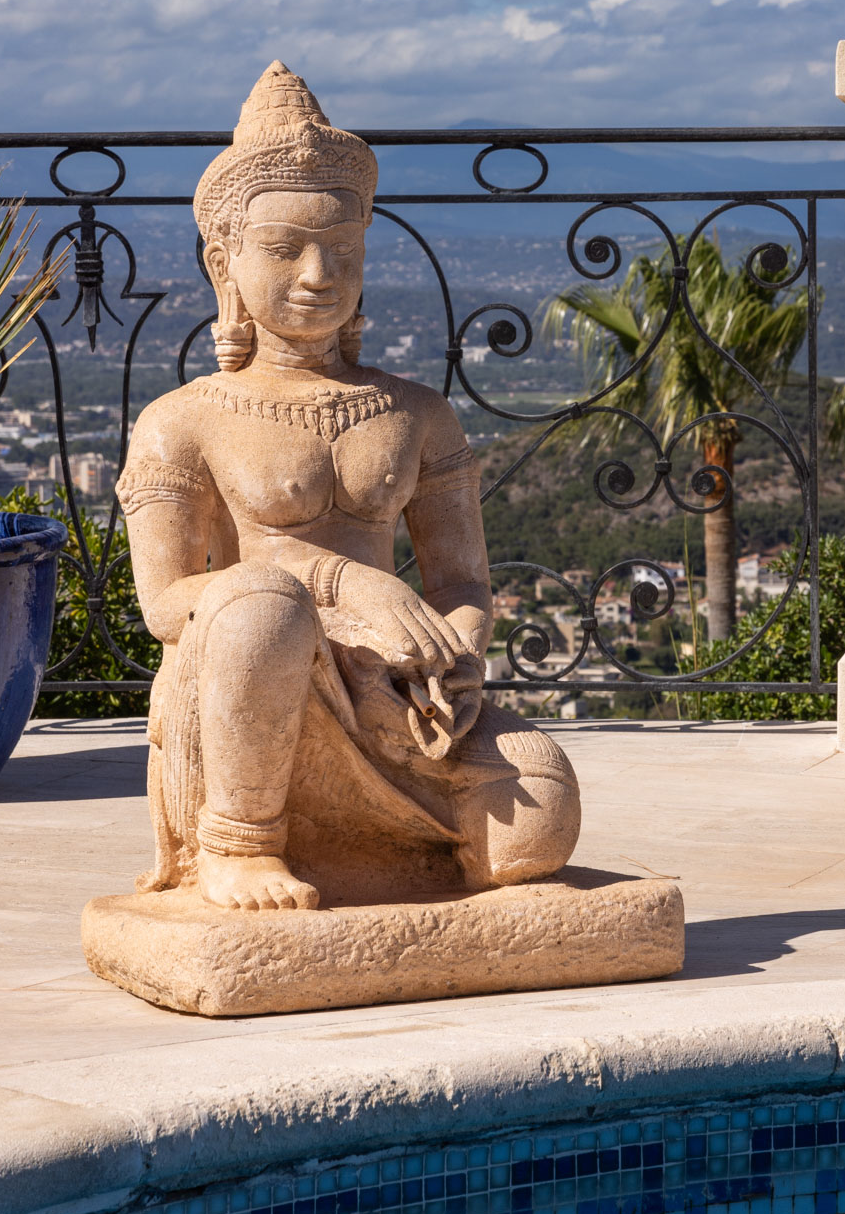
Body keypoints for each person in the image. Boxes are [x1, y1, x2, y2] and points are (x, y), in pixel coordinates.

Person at [116, 62, 580, 911]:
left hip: (396, 692)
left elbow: (462, 584)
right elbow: (163, 603)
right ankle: (240, 842)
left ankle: (398, 852)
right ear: (225, 262)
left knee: (537, 820)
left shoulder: (417, 413)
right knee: (261, 599)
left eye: (343, 249)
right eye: (286, 249)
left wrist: (459, 660)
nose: (318, 273)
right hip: (251, 672)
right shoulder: (182, 421)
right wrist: (342, 580)